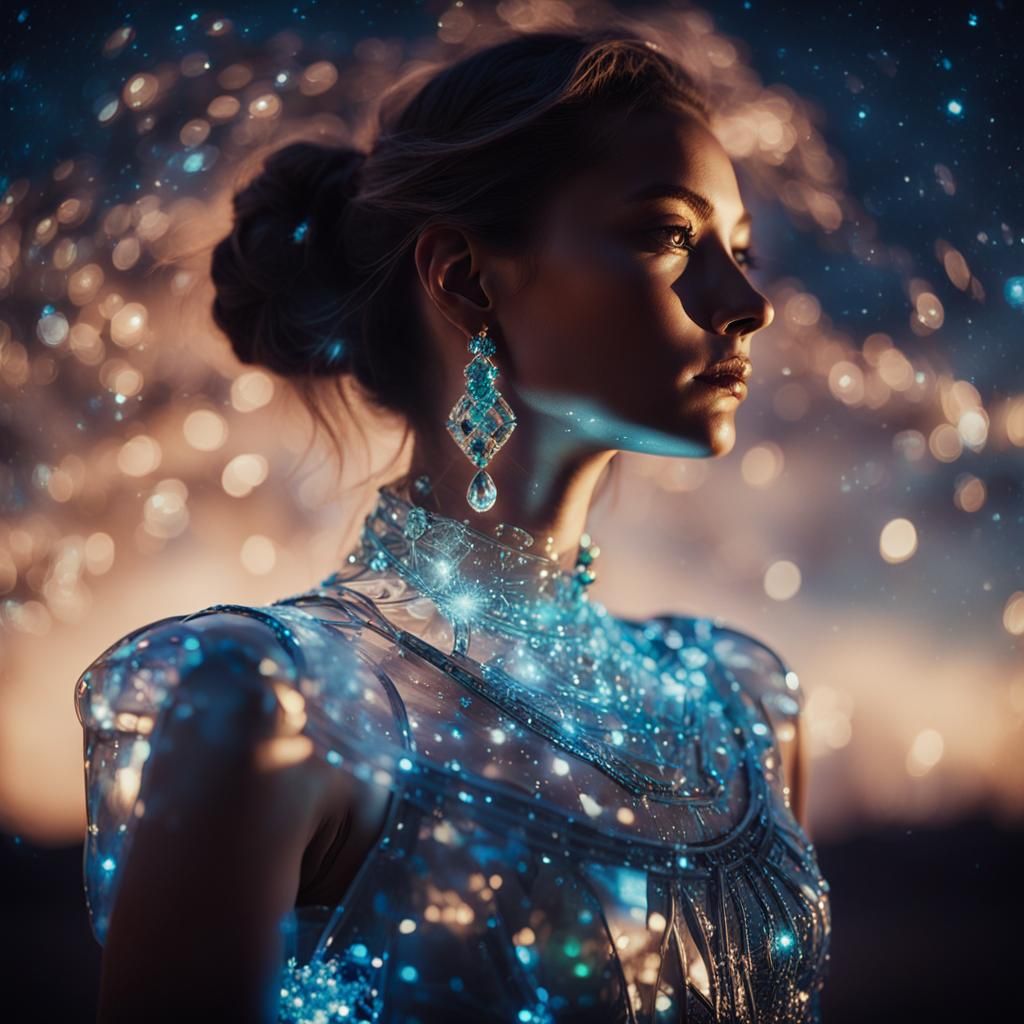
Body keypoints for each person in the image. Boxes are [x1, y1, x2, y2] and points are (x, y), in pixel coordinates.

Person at [75, 27, 832, 1023]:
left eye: (737, 250)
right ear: (467, 281)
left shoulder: (742, 708)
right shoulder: (283, 707)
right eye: (668, 234)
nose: (746, 305)